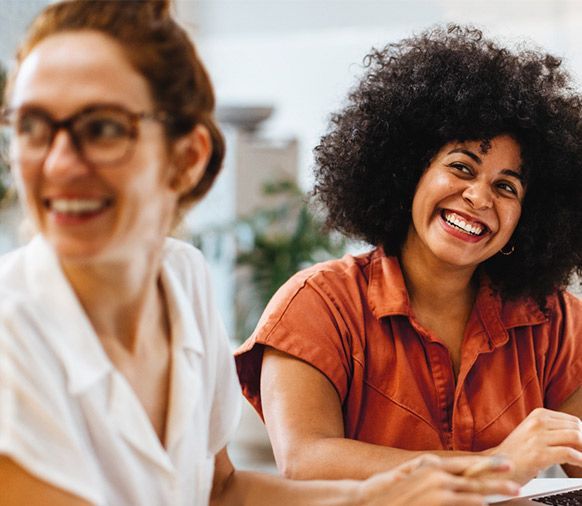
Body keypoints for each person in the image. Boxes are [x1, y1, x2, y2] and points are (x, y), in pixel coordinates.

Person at [0, 2, 521, 505]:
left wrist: (375, 496)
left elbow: (220, 491)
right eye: (31, 127)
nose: (59, 164)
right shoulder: (12, 341)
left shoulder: (181, 278)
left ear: (187, 157)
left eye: (103, 128)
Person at [235, 24, 582, 486]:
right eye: (461, 166)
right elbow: (306, 460)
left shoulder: (551, 319)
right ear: (408, 171)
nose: (479, 197)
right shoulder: (317, 305)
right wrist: (490, 466)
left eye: (506, 187)